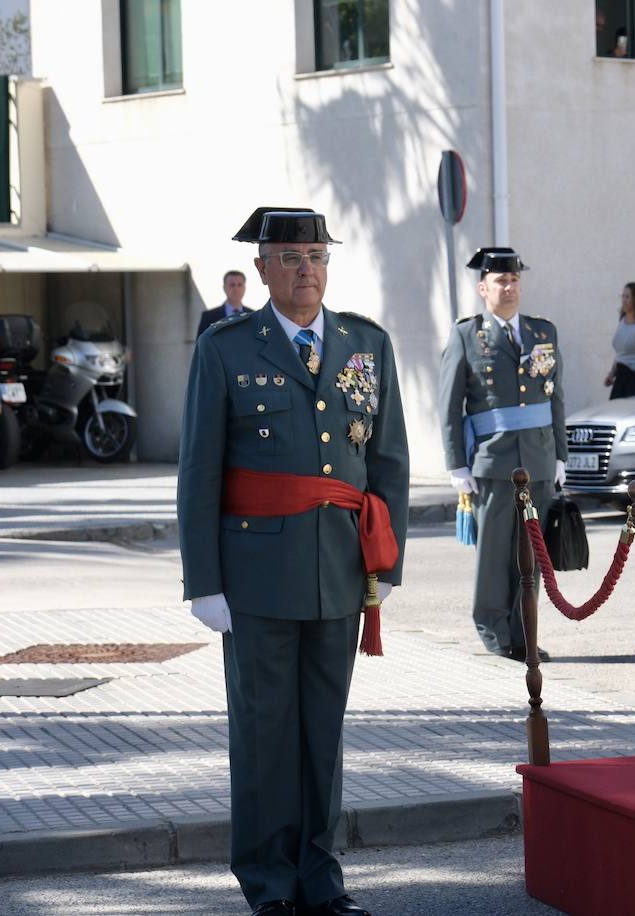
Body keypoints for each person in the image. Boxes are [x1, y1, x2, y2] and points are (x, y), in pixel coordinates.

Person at [178, 207, 410, 916]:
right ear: (262, 269)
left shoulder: (364, 344)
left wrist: (386, 564)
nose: (307, 268)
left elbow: (389, 461)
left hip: (339, 572)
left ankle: (321, 879)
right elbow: (199, 471)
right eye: (291, 256)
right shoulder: (225, 348)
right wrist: (204, 582)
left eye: (316, 254)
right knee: (264, 738)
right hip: (254, 579)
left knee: (323, 737)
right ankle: (270, 884)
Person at [440, 247, 567, 661]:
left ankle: (524, 632)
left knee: (531, 556)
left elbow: (556, 398)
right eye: (500, 281)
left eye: (514, 280)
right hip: (494, 463)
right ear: (483, 288)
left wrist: (561, 456)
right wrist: (457, 465)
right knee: (496, 556)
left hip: (540, 459)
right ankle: (496, 633)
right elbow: (450, 404)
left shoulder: (542, 332)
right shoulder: (466, 335)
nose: (509, 287)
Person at [604, 281, 635, 398]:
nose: (623, 300)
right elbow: (620, 353)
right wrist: (611, 374)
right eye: (622, 296)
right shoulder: (623, 321)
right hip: (621, 377)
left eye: (627, 297)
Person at [197, 269, 252, 336]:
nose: (236, 289)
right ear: (224, 287)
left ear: (244, 288)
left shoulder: (253, 316)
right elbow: (200, 344)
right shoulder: (208, 317)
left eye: (239, 285)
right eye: (232, 285)